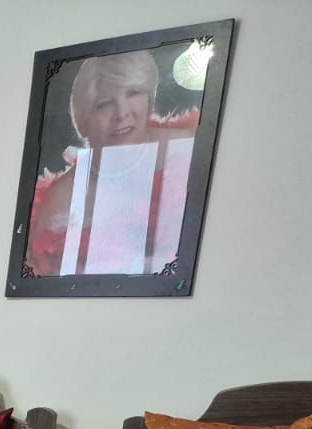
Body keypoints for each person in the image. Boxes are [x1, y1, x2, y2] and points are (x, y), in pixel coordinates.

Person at [26, 49, 199, 276]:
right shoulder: (64, 197)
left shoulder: (189, 147)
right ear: (83, 122)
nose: (121, 113)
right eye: (104, 104)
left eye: (133, 93)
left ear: (149, 100)